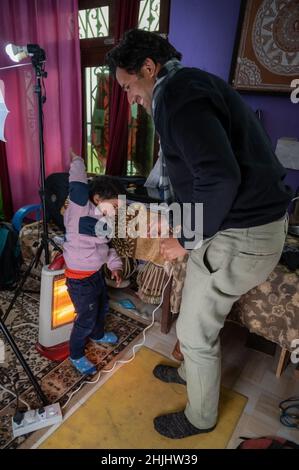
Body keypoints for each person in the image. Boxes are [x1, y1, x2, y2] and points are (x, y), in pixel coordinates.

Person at [106, 29, 292, 439]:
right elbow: (202, 170)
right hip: (245, 227)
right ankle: (192, 371)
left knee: (193, 331)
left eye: (128, 85)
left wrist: (186, 237)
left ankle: (201, 418)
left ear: (149, 69)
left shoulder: (177, 96)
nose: (129, 97)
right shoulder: (193, 84)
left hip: (242, 235)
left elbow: (218, 176)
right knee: (198, 306)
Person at [64, 149, 124, 375]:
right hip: (80, 282)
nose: (116, 211)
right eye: (114, 205)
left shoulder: (104, 221)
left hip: (96, 276)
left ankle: (98, 335)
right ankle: (76, 353)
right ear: (98, 198)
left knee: (101, 309)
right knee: (85, 319)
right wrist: (77, 160)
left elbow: (105, 249)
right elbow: (78, 182)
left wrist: (115, 266)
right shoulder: (81, 207)